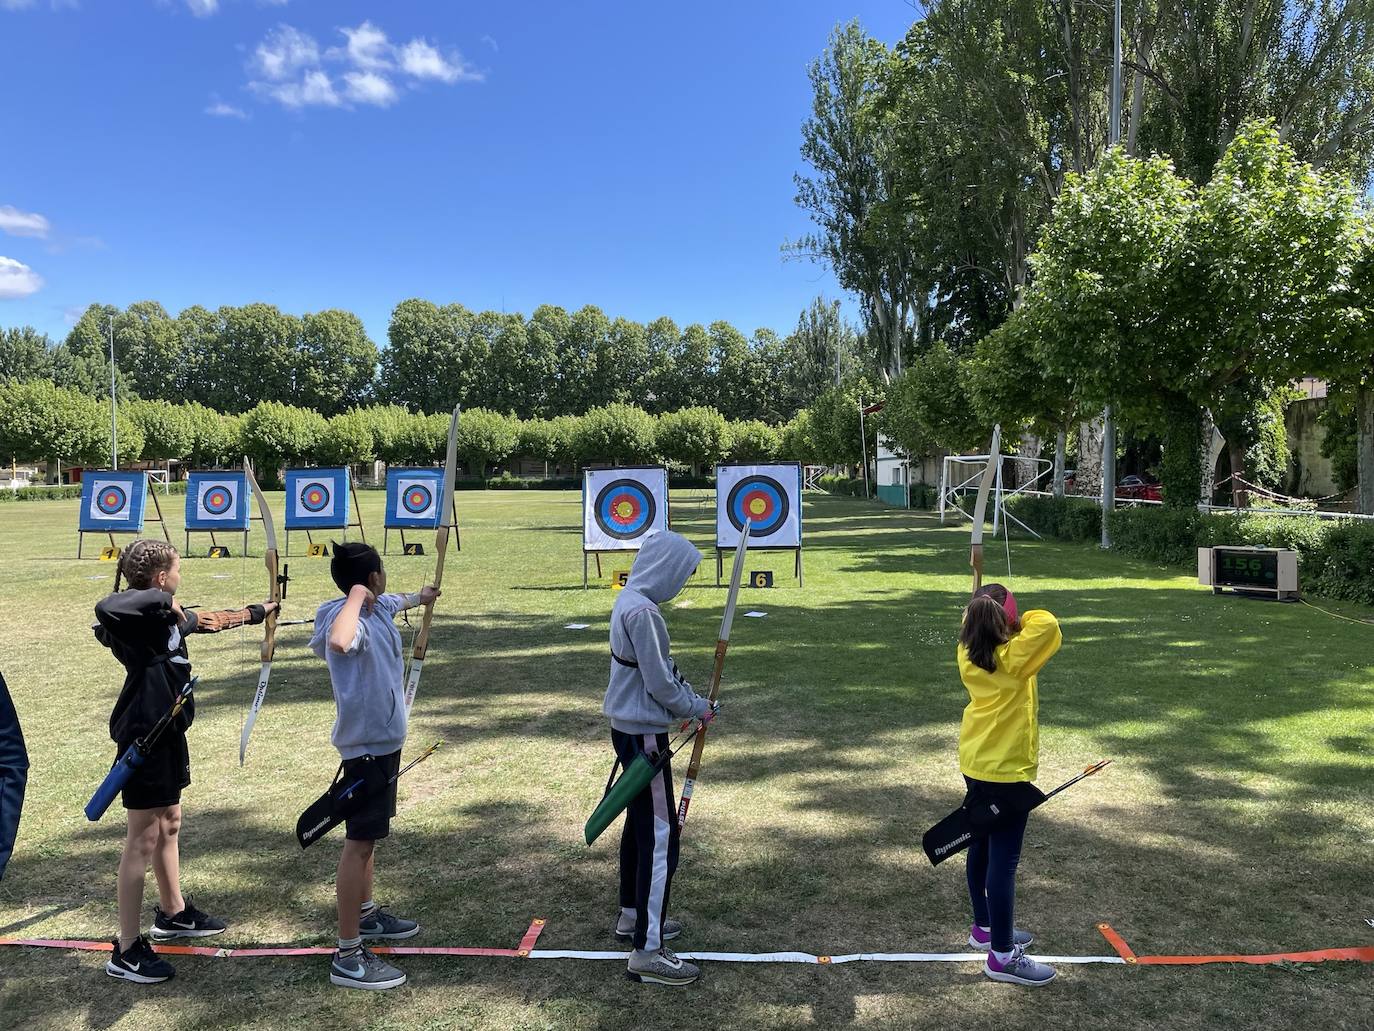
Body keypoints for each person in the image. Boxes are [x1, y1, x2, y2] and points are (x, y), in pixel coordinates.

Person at [94, 539, 278, 984]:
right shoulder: (137, 620)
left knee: (170, 822)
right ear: (160, 579)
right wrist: (167, 603)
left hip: (169, 730)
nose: (180, 577)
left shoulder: (162, 618)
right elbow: (107, 606)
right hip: (145, 735)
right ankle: (127, 949)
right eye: (175, 571)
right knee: (142, 837)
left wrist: (259, 611)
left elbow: (208, 621)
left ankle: (173, 913)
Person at [309, 542, 437, 991]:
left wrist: (419, 598)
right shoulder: (345, 616)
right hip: (364, 748)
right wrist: (358, 598)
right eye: (379, 574)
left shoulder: (379, 607)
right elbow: (339, 641)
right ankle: (347, 954)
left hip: (383, 743)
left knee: (369, 839)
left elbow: (396, 601)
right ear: (369, 580)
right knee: (358, 843)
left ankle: (365, 917)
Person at [603, 530, 716, 986]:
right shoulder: (644, 611)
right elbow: (661, 684)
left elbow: (662, 673)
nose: (682, 584)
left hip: (630, 727)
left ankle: (633, 915)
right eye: (682, 574)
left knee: (641, 825)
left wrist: (691, 701)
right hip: (644, 734)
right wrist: (696, 708)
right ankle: (647, 951)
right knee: (660, 836)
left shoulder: (630, 599)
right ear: (665, 568)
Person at [956, 582, 1062, 987]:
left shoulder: (968, 648)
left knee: (980, 843)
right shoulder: (1016, 655)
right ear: (1006, 621)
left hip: (976, 761)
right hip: (1005, 771)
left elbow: (979, 624)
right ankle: (1001, 955)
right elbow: (1047, 624)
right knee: (1004, 862)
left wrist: (989, 613)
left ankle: (983, 928)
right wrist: (1017, 617)